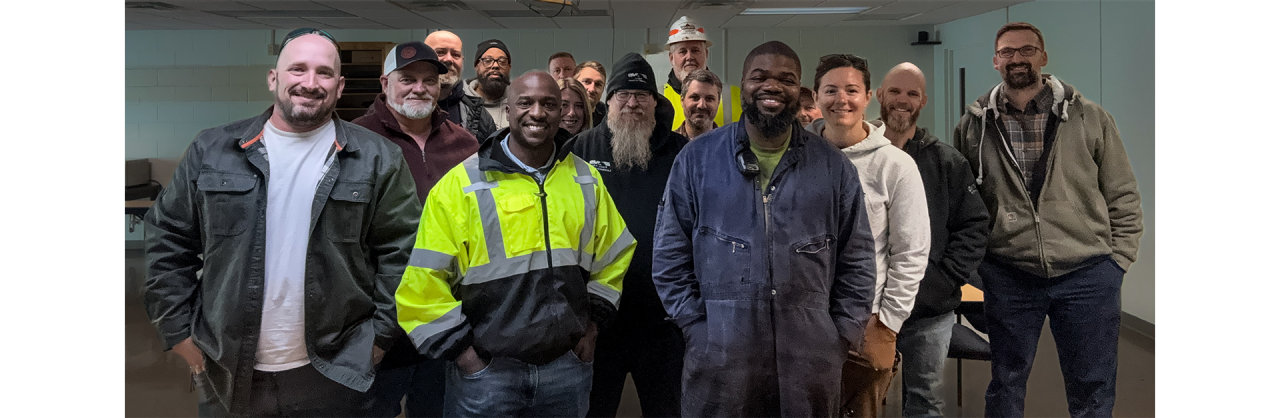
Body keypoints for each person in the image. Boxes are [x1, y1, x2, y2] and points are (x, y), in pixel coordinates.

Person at [142, 28, 421, 418]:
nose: (310, 83)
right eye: (297, 70)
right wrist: (178, 333)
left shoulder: (377, 157)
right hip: (226, 367)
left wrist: (377, 340)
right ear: (274, 78)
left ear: (339, 86)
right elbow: (168, 241)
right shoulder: (213, 149)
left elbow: (403, 253)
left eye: (324, 73)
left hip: (335, 369)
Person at [652, 40, 878, 418]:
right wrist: (696, 329)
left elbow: (858, 260)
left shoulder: (833, 167)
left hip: (810, 367)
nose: (772, 86)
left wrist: (839, 337)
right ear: (743, 84)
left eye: (786, 79)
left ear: (799, 90)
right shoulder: (697, 160)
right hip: (720, 364)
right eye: (759, 77)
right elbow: (669, 256)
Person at [395, 71, 637, 418]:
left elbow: (615, 255)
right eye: (526, 103)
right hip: (487, 377)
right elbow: (421, 286)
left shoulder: (585, 179)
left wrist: (593, 327)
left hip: (566, 371)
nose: (537, 113)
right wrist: (465, 356)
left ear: (561, 112)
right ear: (507, 110)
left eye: (549, 104)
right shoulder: (461, 186)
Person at [953, 22, 1143, 418]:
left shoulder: (1090, 118)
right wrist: (980, 266)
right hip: (1009, 274)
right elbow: (965, 204)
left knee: (1092, 383)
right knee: (1005, 380)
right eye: (1007, 52)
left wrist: (1117, 262)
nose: (1016, 59)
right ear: (995, 61)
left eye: (1026, 50)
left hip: (1088, 274)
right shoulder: (973, 126)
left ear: (1043, 57)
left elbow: (1122, 194)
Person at [351, 41, 480, 418]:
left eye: (428, 80)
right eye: (407, 79)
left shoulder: (465, 144)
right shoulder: (354, 141)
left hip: (447, 323)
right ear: (385, 82)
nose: (419, 88)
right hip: (376, 323)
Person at [807, 53, 931, 418]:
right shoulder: (797, 158)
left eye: (851, 90)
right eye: (830, 90)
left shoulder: (895, 165)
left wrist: (888, 322)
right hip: (804, 321)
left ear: (867, 97)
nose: (840, 99)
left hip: (866, 322)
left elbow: (910, 252)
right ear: (816, 98)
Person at [571, 53, 689, 418]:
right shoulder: (580, 151)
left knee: (667, 410)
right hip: (597, 320)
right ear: (608, 102)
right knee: (595, 410)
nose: (632, 103)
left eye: (642, 94)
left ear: (656, 102)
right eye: (623, 94)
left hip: (663, 320)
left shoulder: (681, 153)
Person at [875, 62, 990, 418]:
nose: (902, 100)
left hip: (930, 311)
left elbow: (974, 225)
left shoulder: (946, 162)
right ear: (879, 96)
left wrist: (945, 279)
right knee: (859, 398)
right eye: (894, 91)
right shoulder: (860, 157)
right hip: (870, 308)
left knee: (925, 401)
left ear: (923, 100)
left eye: (912, 93)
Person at [662, 15, 742, 131]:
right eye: (683, 51)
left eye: (695, 50)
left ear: (706, 54)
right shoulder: (657, 98)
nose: (689, 57)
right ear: (671, 58)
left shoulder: (734, 95)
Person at [424, 30, 497, 140]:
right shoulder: (403, 107)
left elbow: (489, 156)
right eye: (440, 52)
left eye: (455, 55)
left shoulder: (479, 115)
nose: (449, 59)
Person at [463, 39, 512, 130]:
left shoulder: (517, 102)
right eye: (488, 61)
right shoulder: (461, 102)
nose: (495, 65)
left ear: (509, 67)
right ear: (477, 65)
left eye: (502, 61)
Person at [675, 69, 721, 140]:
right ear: (682, 101)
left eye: (709, 99)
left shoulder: (730, 146)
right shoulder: (668, 145)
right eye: (695, 97)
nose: (701, 105)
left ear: (718, 102)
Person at [575, 60, 608, 127]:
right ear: (574, 83)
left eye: (598, 84)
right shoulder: (559, 113)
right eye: (587, 82)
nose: (592, 89)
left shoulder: (607, 119)